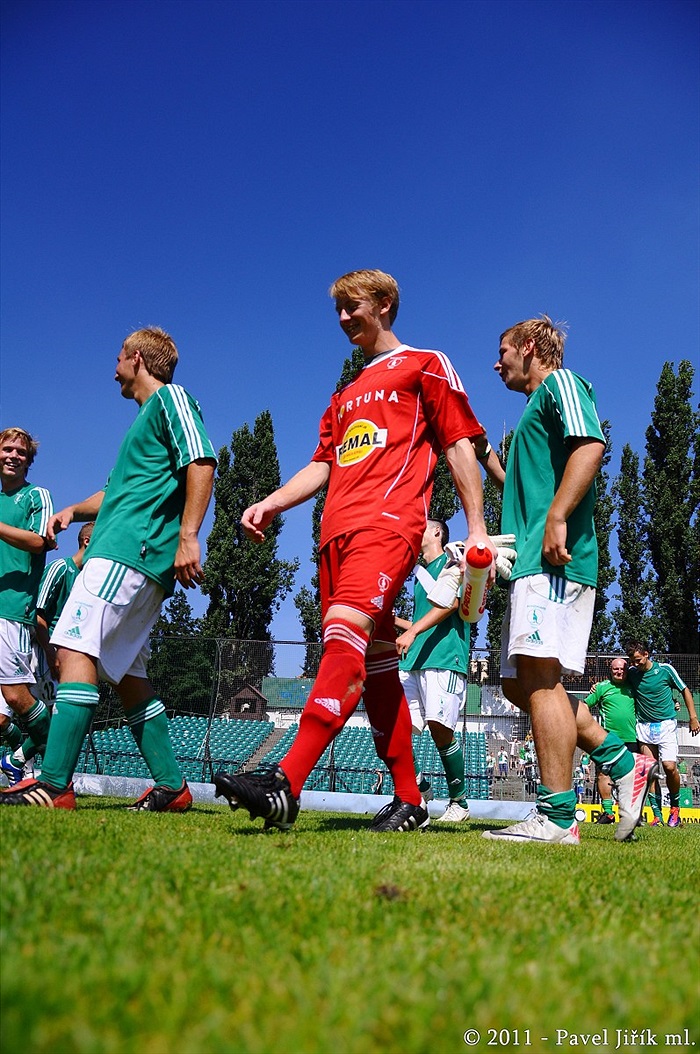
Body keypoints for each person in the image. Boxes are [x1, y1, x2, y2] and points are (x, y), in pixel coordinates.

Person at [214, 268, 497, 832]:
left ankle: (287, 782)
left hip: (388, 526)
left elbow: (458, 444)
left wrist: (477, 527)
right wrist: (271, 503)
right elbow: (323, 463)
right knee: (379, 667)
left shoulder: (426, 364)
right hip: (335, 536)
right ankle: (410, 798)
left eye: (353, 306)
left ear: (385, 304)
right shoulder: (344, 394)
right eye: (338, 310)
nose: (343, 318)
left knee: (342, 642)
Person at [1, 327, 216, 811]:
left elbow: (202, 459)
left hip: (128, 553)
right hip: (133, 556)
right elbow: (114, 493)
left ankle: (53, 784)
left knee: (73, 647)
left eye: (118, 357)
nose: (113, 369)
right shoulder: (142, 423)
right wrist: (73, 510)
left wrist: (188, 536)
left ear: (137, 358)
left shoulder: (170, 400)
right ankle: (172, 787)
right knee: (127, 673)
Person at [482, 315, 656, 845]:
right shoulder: (532, 414)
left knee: (539, 679)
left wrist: (557, 516)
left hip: (556, 560)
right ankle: (621, 761)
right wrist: (484, 456)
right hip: (532, 564)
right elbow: (524, 487)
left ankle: (558, 818)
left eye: (503, 351)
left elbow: (590, 445)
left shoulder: (561, 383)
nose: (497, 363)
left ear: (530, 346)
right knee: (519, 684)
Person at [0, 522, 94, 785]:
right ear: (87, 541)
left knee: (56, 720)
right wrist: (51, 655)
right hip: (39, 651)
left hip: (60, 655)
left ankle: (21, 764)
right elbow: (38, 617)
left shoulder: (86, 580)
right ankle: (27, 766)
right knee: (40, 719)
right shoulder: (60, 568)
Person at [394, 518, 471, 822]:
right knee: (397, 729)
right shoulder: (419, 574)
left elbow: (451, 604)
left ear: (437, 532)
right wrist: (394, 622)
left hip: (444, 657)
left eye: (423, 525)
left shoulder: (453, 561)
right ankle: (420, 789)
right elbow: (420, 622)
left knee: (440, 730)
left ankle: (459, 803)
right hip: (413, 660)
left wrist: (412, 632)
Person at [0, 427, 54, 779]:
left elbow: (39, 540)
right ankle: (20, 761)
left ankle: (53, 766)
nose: (13, 456)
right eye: (7, 449)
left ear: (28, 460)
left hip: (12, 610)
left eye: (20, 452)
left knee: (17, 696)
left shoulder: (36, 496)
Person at [625, 641, 700, 828]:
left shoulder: (665, 670)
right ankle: (657, 815)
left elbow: (684, 689)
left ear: (646, 654)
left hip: (666, 725)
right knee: (650, 771)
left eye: (638, 660)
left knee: (669, 766)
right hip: (644, 727)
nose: (635, 664)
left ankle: (675, 809)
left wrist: (693, 717)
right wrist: (596, 686)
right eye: (632, 661)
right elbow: (615, 681)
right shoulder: (632, 673)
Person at [583, 657, 637, 824]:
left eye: (622, 669)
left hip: (632, 739)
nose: (619, 672)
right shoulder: (602, 687)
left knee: (630, 777)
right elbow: (585, 706)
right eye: (616, 669)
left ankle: (629, 814)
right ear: (611, 670)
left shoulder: (634, 686)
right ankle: (608, 813)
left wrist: (675, 703)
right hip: (608, 739)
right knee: (603, 773)